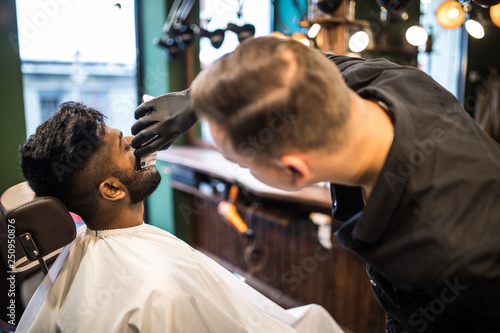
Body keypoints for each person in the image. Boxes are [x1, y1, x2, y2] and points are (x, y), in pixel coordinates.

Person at [131, 37, 500, 332]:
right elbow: (288, 62)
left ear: (294, 172)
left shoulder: (457, 253)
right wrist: (194, 99)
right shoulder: (393, 81)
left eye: (241, 163)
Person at [16, 101, 343, 333]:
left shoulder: (83, 251)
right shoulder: (160, 293)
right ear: (112, 189)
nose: (137, 143)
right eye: (126, 146)